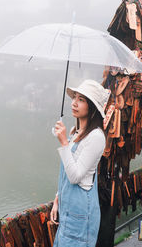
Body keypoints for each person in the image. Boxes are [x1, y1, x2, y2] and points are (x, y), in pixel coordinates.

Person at [50, 79, 109, 247]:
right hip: (68, 210)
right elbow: (67, 173)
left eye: (81, 99)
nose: (74, 103)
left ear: (92, 107)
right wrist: (57, 199)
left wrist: (64, 143)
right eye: (74, 97)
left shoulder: (96, 137)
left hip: (80, 216)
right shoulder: (75, 132)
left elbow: (75, 176)